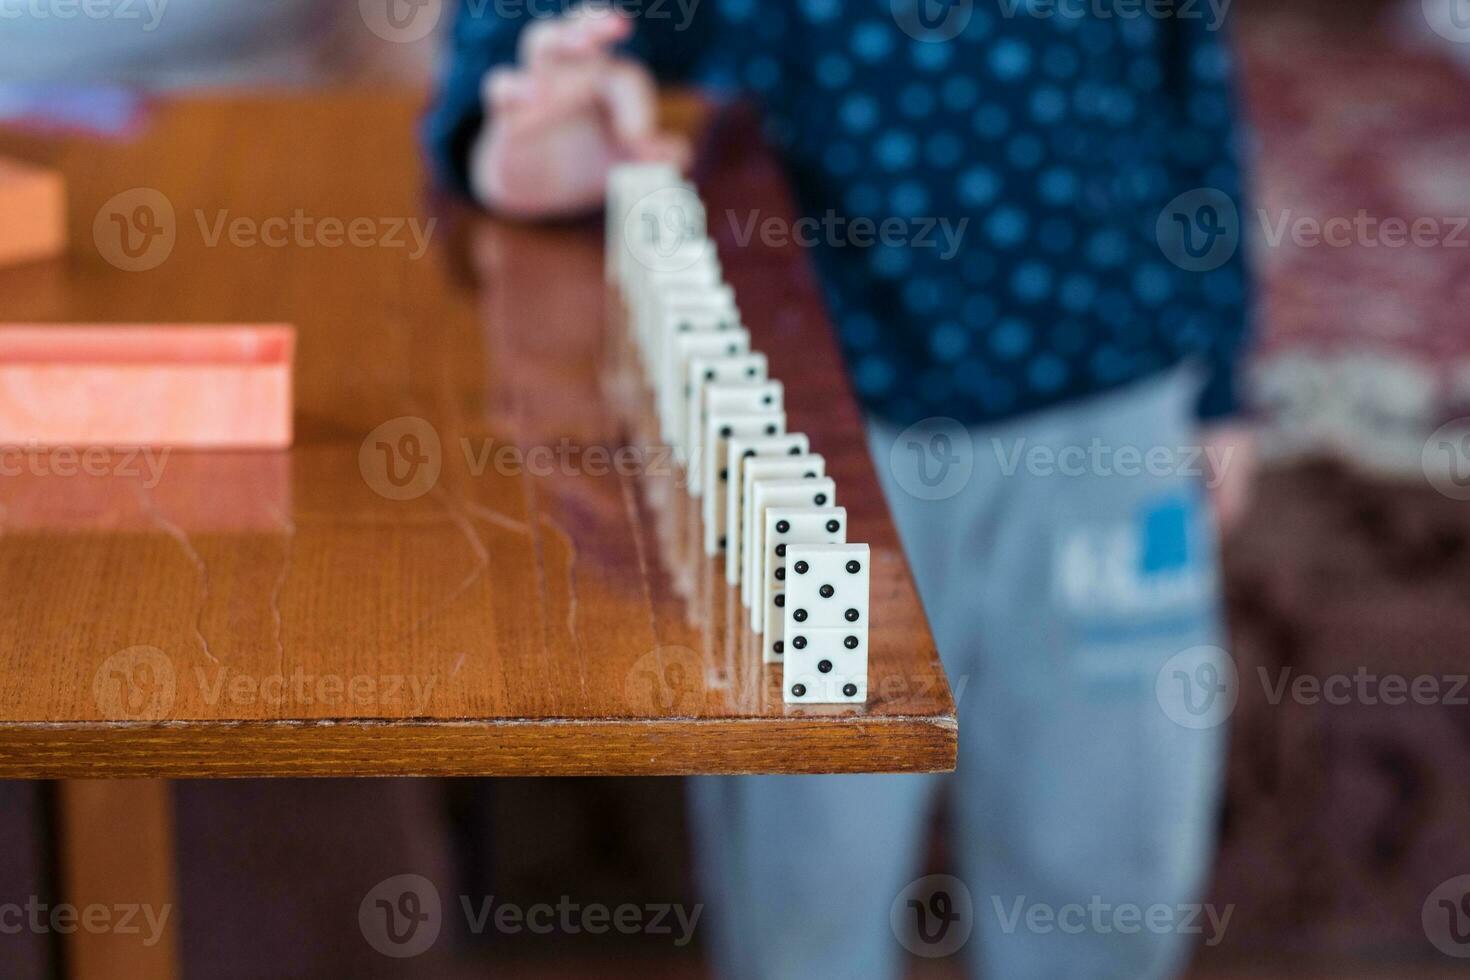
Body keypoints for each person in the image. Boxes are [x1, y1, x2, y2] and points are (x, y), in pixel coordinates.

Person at [425, 2, 1254, 976]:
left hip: (1113, 395)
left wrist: (1225, 376)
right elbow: (523, 50)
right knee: (804, 868)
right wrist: (514, 135)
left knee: (1103, 853)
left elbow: (1190, 78)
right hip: (808, 417)